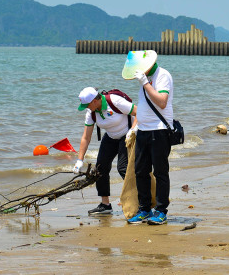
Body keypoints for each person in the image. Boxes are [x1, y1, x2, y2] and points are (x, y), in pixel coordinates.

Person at [125, 50, 173, 225]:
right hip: (143, 131)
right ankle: (144, 209)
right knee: (140, 171)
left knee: (160, 172)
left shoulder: (162, 75)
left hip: (159, 130)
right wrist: (134, 128)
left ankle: (161, 211)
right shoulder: (144, 79)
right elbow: (144, 106)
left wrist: (145, 83)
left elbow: (162, 101)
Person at [73, 87, 136, 215]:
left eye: (87, 105)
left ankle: (140, 200)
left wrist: (133, 130)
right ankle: (105, 205)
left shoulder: (114, 101)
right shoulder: (91, 112)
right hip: (111, 136)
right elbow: (86, 137)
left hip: (127, 134)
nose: (86, 108)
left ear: (95, 101)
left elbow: (138, 112)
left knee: (123, 168)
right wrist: (79, 160)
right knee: (100, 168)